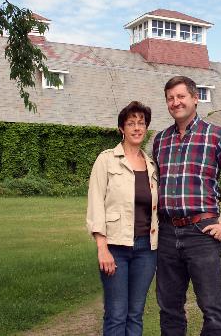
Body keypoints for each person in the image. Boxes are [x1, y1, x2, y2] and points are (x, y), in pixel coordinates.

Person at [152, 76, 221, 335]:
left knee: (211, 308)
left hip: (202, 232)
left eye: (181, 96)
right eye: (170, 98)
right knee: (169, 308)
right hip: (166, 233)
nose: (176, 102)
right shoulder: (161, 139)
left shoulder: (216, 135)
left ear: (195, 98)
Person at [86, 101, 159, 336]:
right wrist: (102, 247)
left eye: (141, 123)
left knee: (135, 313)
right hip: (115, 248)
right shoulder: (106, 160)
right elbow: (95, 204)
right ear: (122, 129)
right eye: (131, 123)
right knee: (116, 313)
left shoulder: (152, 165)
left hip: (146, 249)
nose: (137, 128)